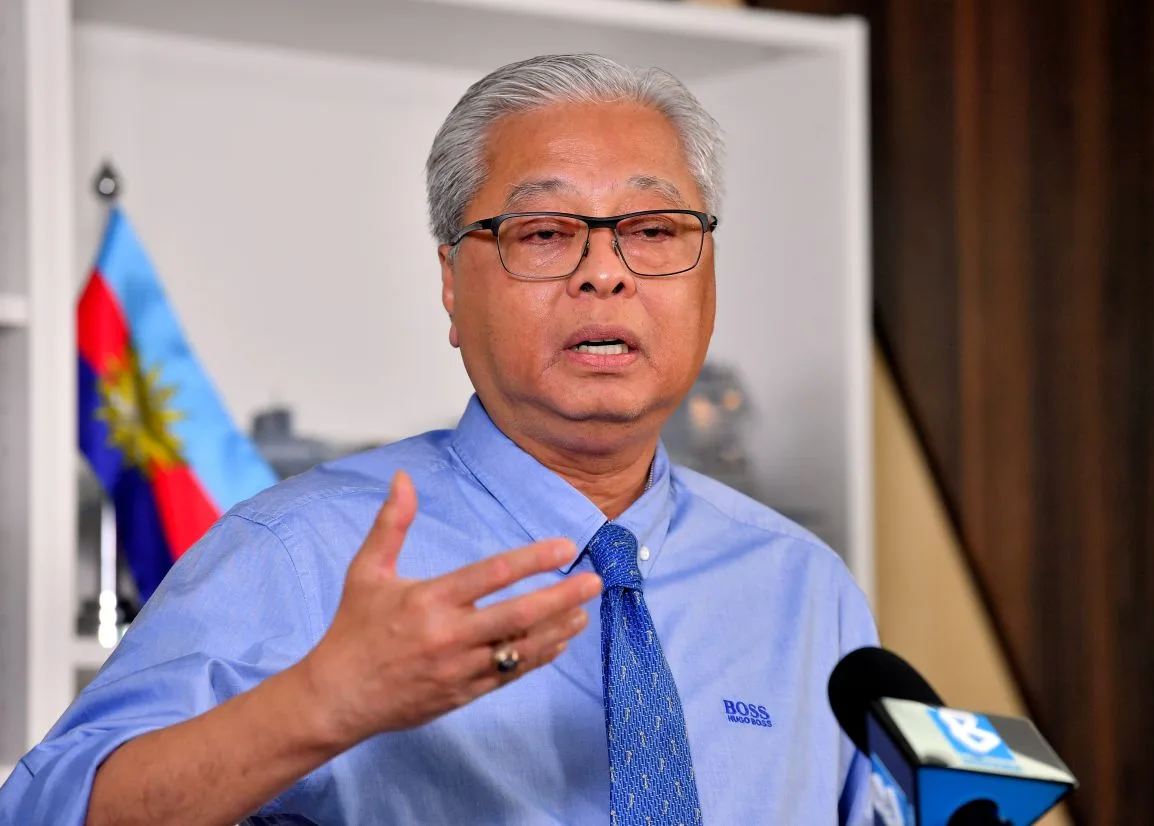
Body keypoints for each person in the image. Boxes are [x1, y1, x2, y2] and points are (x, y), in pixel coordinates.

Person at [0, 54, 877, 825]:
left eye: (652, 231)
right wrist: (319, 706)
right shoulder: (303, 555)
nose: (606, 273)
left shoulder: (806, 590)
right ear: (452, 282)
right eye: (545, 233)